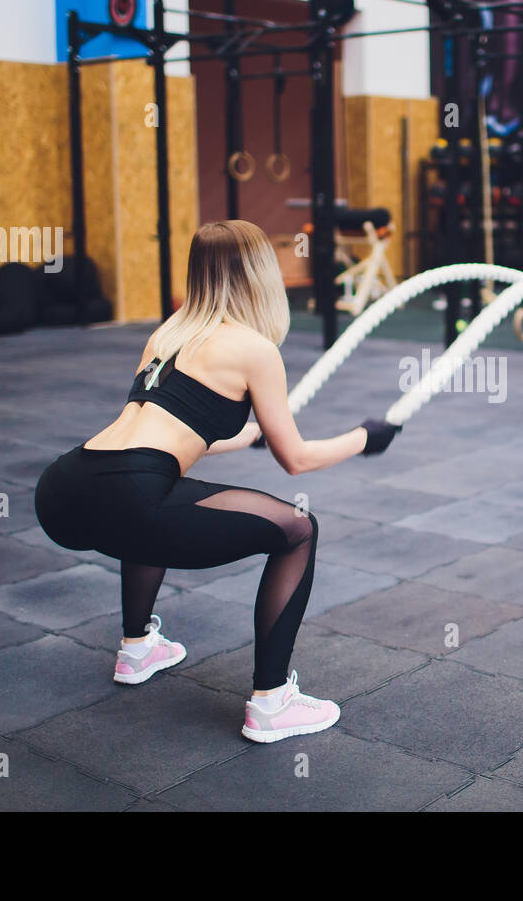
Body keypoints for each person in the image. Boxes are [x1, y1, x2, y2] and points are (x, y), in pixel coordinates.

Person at [34, 220, 400, 743]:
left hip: (65, 488)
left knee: (152, 502)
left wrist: (248, 435)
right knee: (297, 529)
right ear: (259, 274)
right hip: (131, 492)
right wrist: (366, 437)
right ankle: (272, 703)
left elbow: (162, 427)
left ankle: (137, 648)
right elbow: (295, 459)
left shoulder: (171, 331)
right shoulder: (254, 349)